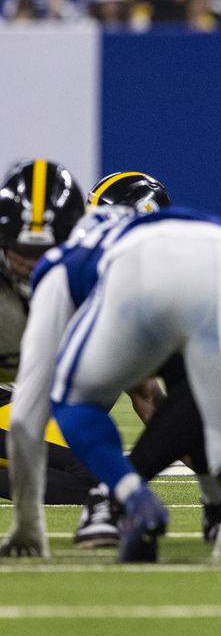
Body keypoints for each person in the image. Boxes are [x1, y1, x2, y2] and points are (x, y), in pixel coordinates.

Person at [0, 204, 221, 564]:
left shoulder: (73, 260)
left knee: (73, 405)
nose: (31, 261)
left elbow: (31, 414)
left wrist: (29, 524)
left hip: (140, 271)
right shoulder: (156, 232)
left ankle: (132, 499)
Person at [0, 160, 102, 509]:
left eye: (46, 251)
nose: (34, 263)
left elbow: (146, 391)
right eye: (23, 251)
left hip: (23, 401)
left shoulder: (92, 277)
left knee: (93, 475)